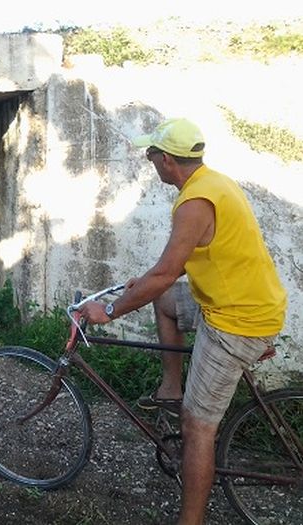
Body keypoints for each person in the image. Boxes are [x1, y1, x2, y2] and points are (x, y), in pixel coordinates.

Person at [78, 118, 287, 525]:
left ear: (169, 161)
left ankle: (190, 521)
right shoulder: (214, 183)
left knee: (198, 428)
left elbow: (165, 273)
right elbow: (199, 257)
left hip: (236, 320)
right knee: (167, 302)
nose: (149, 159)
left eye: (152, 154)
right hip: (241, 301)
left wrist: (111, 309)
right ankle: (171, 389)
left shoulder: (194, 202)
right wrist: (155, 279)